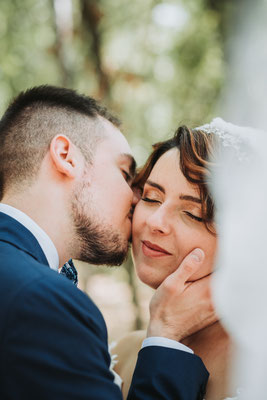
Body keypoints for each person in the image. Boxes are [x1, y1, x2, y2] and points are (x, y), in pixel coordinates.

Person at [0, 85, 216, 400]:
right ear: (66, 157)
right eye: (126, 173)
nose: (136, 200)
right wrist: (165, 337)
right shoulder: (39, 301)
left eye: (194, 215)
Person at [112, 122, 236, 400]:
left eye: (192, 213)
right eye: (151, 197)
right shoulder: (119, 352)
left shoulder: (255, 365)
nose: (155, 222)